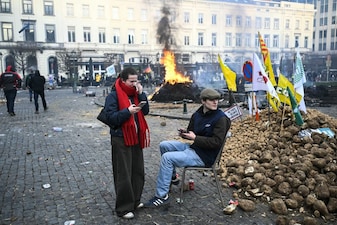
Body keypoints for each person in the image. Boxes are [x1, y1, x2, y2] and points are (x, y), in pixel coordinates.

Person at [144, 88, 231, 208]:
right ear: (203, 101)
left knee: (167, 158)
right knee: (164, 145)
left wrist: (195, 138)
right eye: (211, 100)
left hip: (205, 156)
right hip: (194, 148)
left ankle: (161, 196)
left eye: (216, 99)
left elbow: (216, 142)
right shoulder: (198, 114)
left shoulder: (221, 118)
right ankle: (173, 178)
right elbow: (192, 132)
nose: (215, 102)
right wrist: (185, 133)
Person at [104, 67, 150, 219]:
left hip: (136, 137)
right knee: (123, 173)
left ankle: (135, 201)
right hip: (121, 138)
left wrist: (141, 93)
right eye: (132, 81)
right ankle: (123, 208)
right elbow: (110, 118)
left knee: (137, 170)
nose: (134, 83)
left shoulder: (136, 94)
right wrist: (127, 112)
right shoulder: (114, 95)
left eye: (136, 80)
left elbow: (146, 111)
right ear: (123, 80)